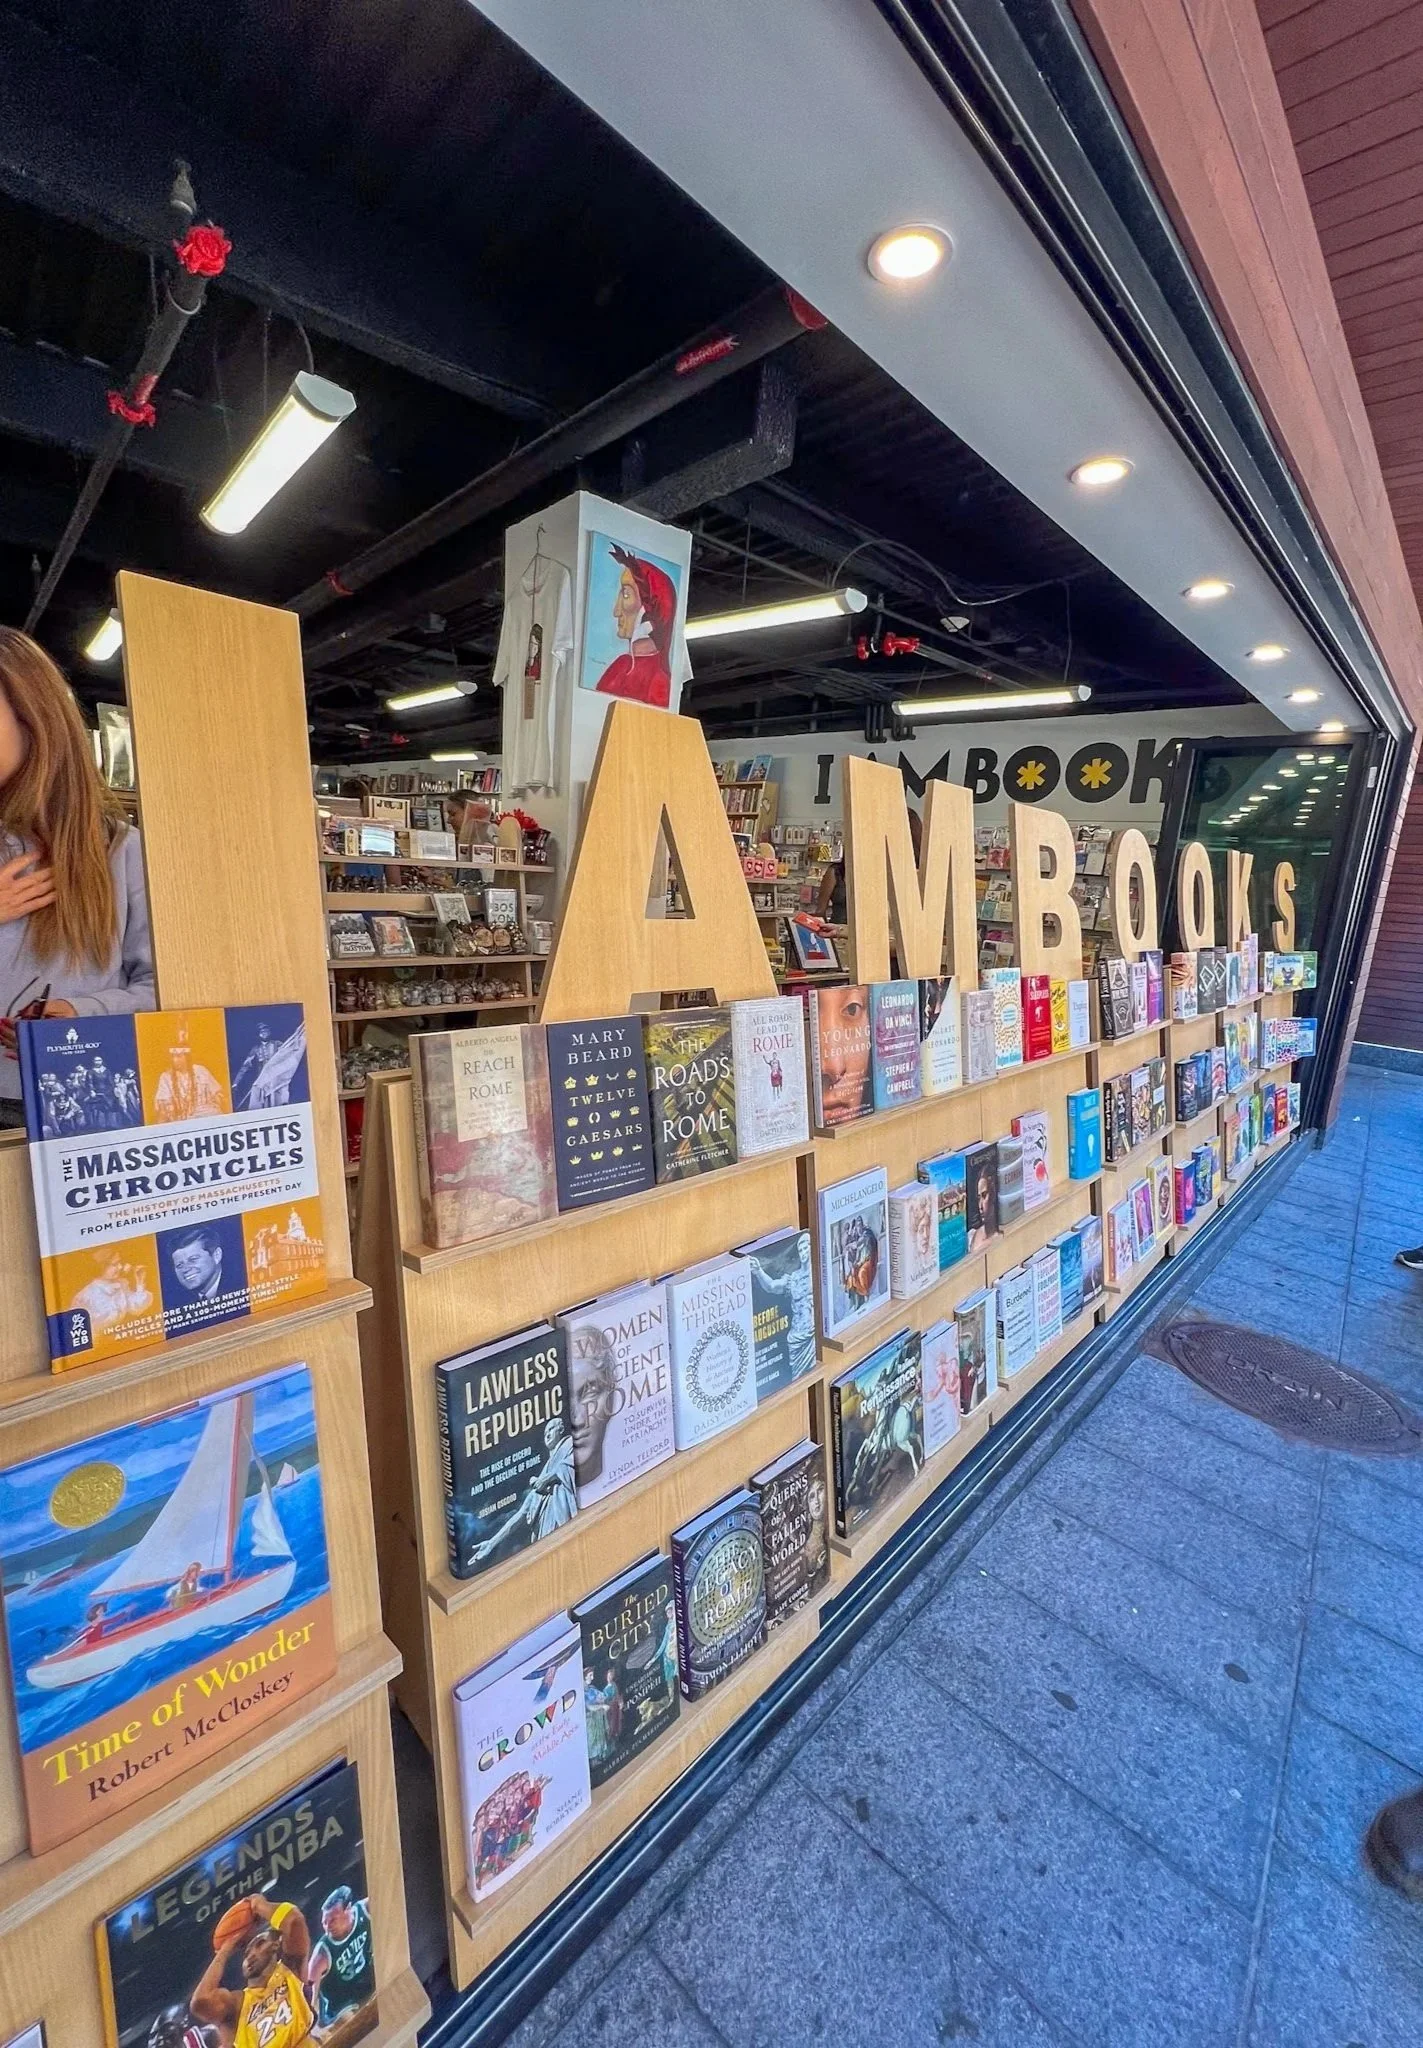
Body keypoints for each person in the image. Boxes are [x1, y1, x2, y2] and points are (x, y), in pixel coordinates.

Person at [0, 628, 154, 1128]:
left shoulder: (121, 850)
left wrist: (81, 1013)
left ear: (35, 718)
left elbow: (166, 987)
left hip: (81, 1101)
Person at [190, 1893, 314, 2048]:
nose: (251, 1955)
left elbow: (295, 1920)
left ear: (275, 1945)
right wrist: (226, 1949)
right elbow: (201, 2002)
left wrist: (259, 1905)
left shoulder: (291, 1971)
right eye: (246, 1953)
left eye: (259, 1944)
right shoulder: (236, 2004)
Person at [592, 545, 678, 707]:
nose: (616, 611)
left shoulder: (659, 681)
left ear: (650, 608)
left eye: (626, 594)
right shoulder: (620, 666)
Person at [305, 1886, 376, 2033]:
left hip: (366, 1985)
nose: (328, 1927)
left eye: (333, 1920)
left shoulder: (365, 1909)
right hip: (339, 2010)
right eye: (325, 1922)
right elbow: (308, 1996)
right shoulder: (322, 1955)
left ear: (348, 1909)